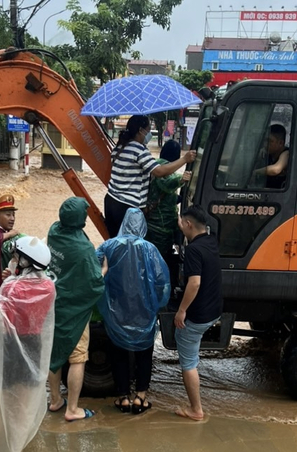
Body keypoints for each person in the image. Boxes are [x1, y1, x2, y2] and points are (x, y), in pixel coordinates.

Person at [0, 236, 56, 452]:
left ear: (25, 262)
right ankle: (19, 444)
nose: (13, 259)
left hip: (9, 349)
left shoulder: (12, 288)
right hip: (33, 347)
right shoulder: (48, 286)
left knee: (0, 406)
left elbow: (1, 319)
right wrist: (11, 278)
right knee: (22, 404)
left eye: (16, 257)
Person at [96, 208, 170, 414]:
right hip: (144, 313)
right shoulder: (150, 249)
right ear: (142, 225)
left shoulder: (107, 246)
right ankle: (140, 398)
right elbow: (161, 281)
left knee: (118, 354)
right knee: (144, 354)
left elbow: (93, 271)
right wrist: (156, 305)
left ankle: (123, 397)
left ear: (124, 223)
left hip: (116, 312)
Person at [46, 197, 104, 422]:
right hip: (74, 310)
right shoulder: (83, 248)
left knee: (54, 354)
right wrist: (104, 271)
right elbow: (94, 284)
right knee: (77, 357)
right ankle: (72, 409)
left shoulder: (54, 232)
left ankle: (54, 400)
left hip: (52, 304)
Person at [105, 115, 196, 238]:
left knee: (115, 243)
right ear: (140, 130)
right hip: (127, 207)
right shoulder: (138, 149)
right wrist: (184, 159)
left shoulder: (119, 147)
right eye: (148, 130)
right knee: (130, 246)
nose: (149, 133)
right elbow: (159, 171)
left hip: (111, 202)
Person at [173, 205, 223, 421]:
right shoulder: (210, 241)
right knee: (191, 353)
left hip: (198, 315)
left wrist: (181, 311)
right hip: (214, 309)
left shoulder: (193, 250)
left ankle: (196, 410)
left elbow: (194, 283)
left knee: (188, 362)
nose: (180, 225)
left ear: (189, 224)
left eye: (182, 222)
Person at [144, 140, 191, 262]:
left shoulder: (158, 165)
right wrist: (181, 180)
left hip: (158, 224)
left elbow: (165, 196)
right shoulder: (162, 168)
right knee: (158, 260)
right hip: (159, 226)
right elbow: (167, 183)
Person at [252, 124, 289, 189]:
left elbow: (276, 169)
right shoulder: (266, 153)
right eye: (265, 140)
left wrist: (254, 172)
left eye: (269, 141)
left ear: (280, 143)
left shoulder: (286, 154)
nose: (265, 144)